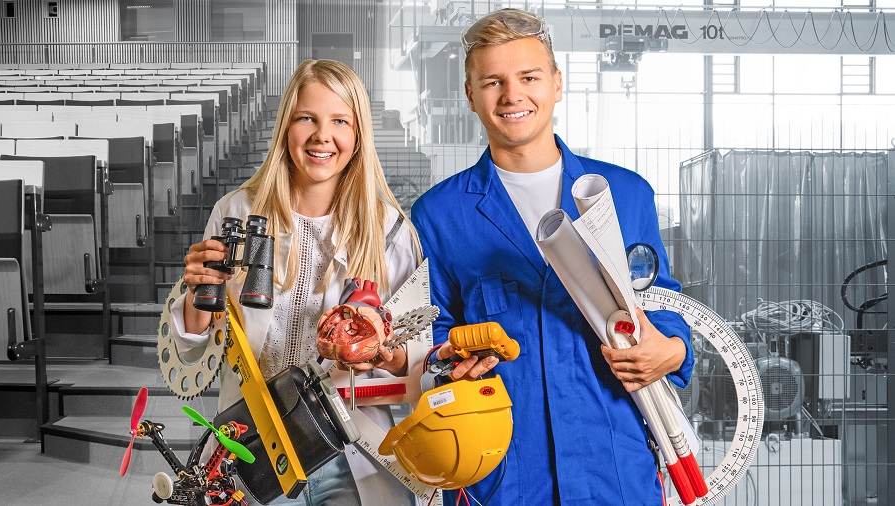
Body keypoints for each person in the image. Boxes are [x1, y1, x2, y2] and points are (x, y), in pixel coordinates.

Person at [410, 9, 694, 506]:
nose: (512, 95)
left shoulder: (623, 195)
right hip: (503, 474)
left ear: (557, 84)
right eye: (492, 81)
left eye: (528, 77)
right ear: (470, 95)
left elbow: (663, 302)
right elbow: (430, 330)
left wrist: (673, 351)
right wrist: (449, 358)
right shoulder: (440, 214)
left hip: (615, 469)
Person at [168, 59, 420, 506]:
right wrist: (197, 291)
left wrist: (379, 351)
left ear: (358, 135)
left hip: (350, 448)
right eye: (307, 118)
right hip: (251, 444)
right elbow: (191, 348)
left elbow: (412, 368)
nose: (323, 135)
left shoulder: (389, 230)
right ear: (286, 126)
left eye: (340, 121)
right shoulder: (236, 213)